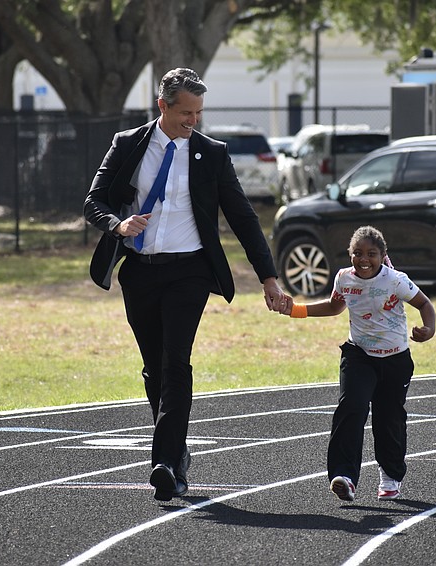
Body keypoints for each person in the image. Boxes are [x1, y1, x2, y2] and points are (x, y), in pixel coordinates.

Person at [84, 67, 286, 501]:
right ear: (163, 106)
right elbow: (93, 201)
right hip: (140, 272)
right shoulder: (127, 145)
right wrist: (119, 225)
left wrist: (269, 278)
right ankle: (176, 455)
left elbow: (243, 218)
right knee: (154, 367)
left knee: (176, 362)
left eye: (199, 113)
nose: (193, 121)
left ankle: (162, 460)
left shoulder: (211, 154)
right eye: (185, 113)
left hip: (190, 273)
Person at [279, 225, 436, 502]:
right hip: (358, 354)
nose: (364, 259)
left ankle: (390, 474)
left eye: (371, 254)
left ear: (383, 255)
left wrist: (428, 329)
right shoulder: (344, 279)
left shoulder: (396, 280)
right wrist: (295, 310)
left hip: (395, 358)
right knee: (351, 406)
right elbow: (334, 307)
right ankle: (345, 477)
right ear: (350, 255)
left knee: (389, 418)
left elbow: (425, 305)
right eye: (358, 253)